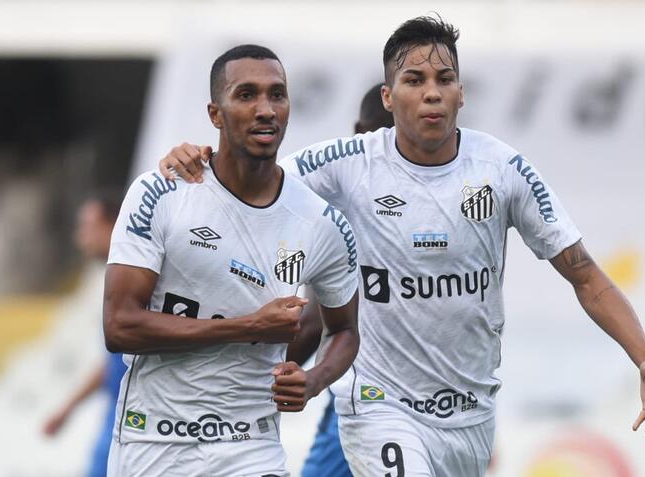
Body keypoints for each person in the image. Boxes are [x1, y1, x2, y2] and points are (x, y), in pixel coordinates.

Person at [158, 15, 645, 477]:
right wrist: (194, 162)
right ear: (388, 97)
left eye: (444, 80)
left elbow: (584, 274)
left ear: (461, 93)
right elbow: (251, 184)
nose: (432, 92)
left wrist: (644, 357)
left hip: (470, 415)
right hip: (381, 404)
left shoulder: (502, 170)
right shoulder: (348, 162)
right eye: (414, 80)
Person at [103, 44, 360, 477]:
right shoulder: (160, 193)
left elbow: (345, 329)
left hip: (250, 447)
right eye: (246, 95)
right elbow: (119, 325)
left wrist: (314, 381)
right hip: (152, 442)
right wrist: (247, 327)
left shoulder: (321, 222)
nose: (266, 109)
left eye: (277, 95)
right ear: (214, 113)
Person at [295, 83, 393, 477]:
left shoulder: (341, 213)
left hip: (364, 410)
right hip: (441, 413)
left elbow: (315, 321)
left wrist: (242, 392)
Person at [42, 193, 127, 477]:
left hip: (137, 425)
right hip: (114, 421)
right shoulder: (110, 281)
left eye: (88, 226)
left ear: (115, 224)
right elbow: (113, 362)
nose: (81, 237)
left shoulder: (140, 282)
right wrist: (68, 408)